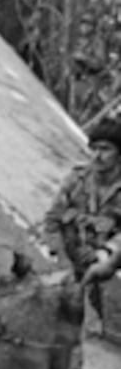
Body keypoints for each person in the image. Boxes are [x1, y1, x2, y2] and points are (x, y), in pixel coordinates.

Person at [44, 119, 121, 287]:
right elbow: (52, 220)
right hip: (65, 260)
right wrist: (59, 256)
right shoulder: (77, 179)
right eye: (94, 148)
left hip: (102, 270)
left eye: (105, 149)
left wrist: (102, 256)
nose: (97, 156)